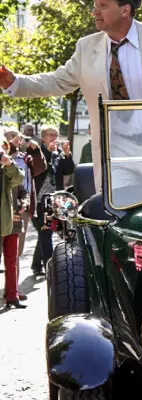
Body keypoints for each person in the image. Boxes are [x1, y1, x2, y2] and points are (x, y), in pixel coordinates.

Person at [0, 0, 142, 192]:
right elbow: (58, 80)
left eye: (103, 6)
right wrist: (16, 82)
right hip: (115, 151)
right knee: (118, 215)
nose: (95, 12)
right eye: (95, 6)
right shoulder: (86, 47)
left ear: (125, 10)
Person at [4, 127, 47, 297]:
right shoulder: (6, 158)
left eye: (18, 137)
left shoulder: (25, 158)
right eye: (12, 137)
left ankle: (12, 291)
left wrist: (36, 151)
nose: (17, 140)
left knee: (16, 252)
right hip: (5, 209)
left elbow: (41, 168)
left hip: (21, 208)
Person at [32, 125, 74, 276]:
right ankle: (49, 265)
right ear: (43, 137)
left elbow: (68, 170)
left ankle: (37, 265)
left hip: (55, 198)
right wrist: (49, 153)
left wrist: (67, 155)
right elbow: (41, 167)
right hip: (40, 199)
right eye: (50, 135)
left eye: (55, 135)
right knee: (46, 231)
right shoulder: (37, 152)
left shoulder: (58, 154)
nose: (54, 138)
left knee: (46, 231)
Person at [0, 133, 25, 309]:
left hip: (10, 221)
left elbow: (19, 180)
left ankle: (12, 296)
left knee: (12, 260)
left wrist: (8, 163)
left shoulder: (7, 170)